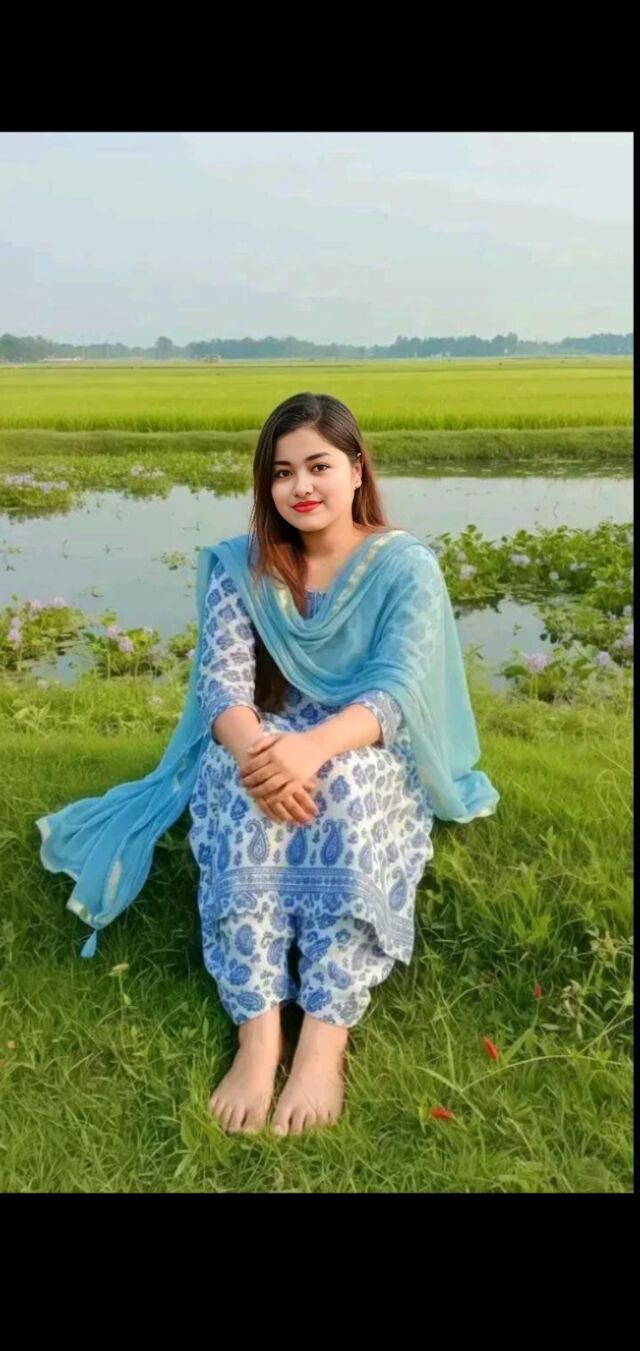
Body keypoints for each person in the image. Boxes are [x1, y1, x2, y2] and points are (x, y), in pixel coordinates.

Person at [36, 391, 498, 1139]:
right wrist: (260, 757)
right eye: (282, 473)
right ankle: (257, 1031)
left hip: (363, 739)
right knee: (235, 785)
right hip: (259, 737)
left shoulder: (403, 566)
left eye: (318, 466)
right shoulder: (242, 565)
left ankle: (323, 1036)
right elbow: (222, 687)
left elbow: (397, 690)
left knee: (348, 783)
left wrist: (312, 748)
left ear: (356, 469)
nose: (300, 487)